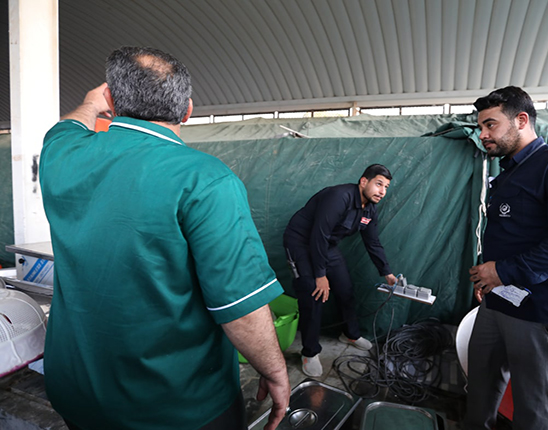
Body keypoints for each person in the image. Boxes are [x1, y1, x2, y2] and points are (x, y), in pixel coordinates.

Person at [39, 47, 290, 430]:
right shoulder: (205, 179)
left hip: (75, 393)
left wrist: (91, 104)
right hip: (175, 408)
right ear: (187, 110)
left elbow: (65, 127)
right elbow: (240, 308)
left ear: (111, 101)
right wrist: (274, 371)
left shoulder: (62, 154)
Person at [465, 87, 548, 430]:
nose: (483, 134)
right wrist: (490, 279)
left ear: (521, 120)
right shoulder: (509, 172)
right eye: (480, 127)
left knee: (533, 402)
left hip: (543, 306)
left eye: (490, 125)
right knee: (480, 380)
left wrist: (504, 271)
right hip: (499, 297)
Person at [283, 164, 398, 377]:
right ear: (363, 181)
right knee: (313, 294)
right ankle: (309, 352)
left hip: (327, 245)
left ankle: (350, 334)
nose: (382, 191)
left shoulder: (370, 209)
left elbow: (372, 242)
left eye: (386, 187)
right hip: (301, 242)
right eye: (378, 184)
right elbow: (318, 235)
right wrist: (320, 275)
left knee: (345, 289)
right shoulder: (339, 197)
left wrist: (387, 273)